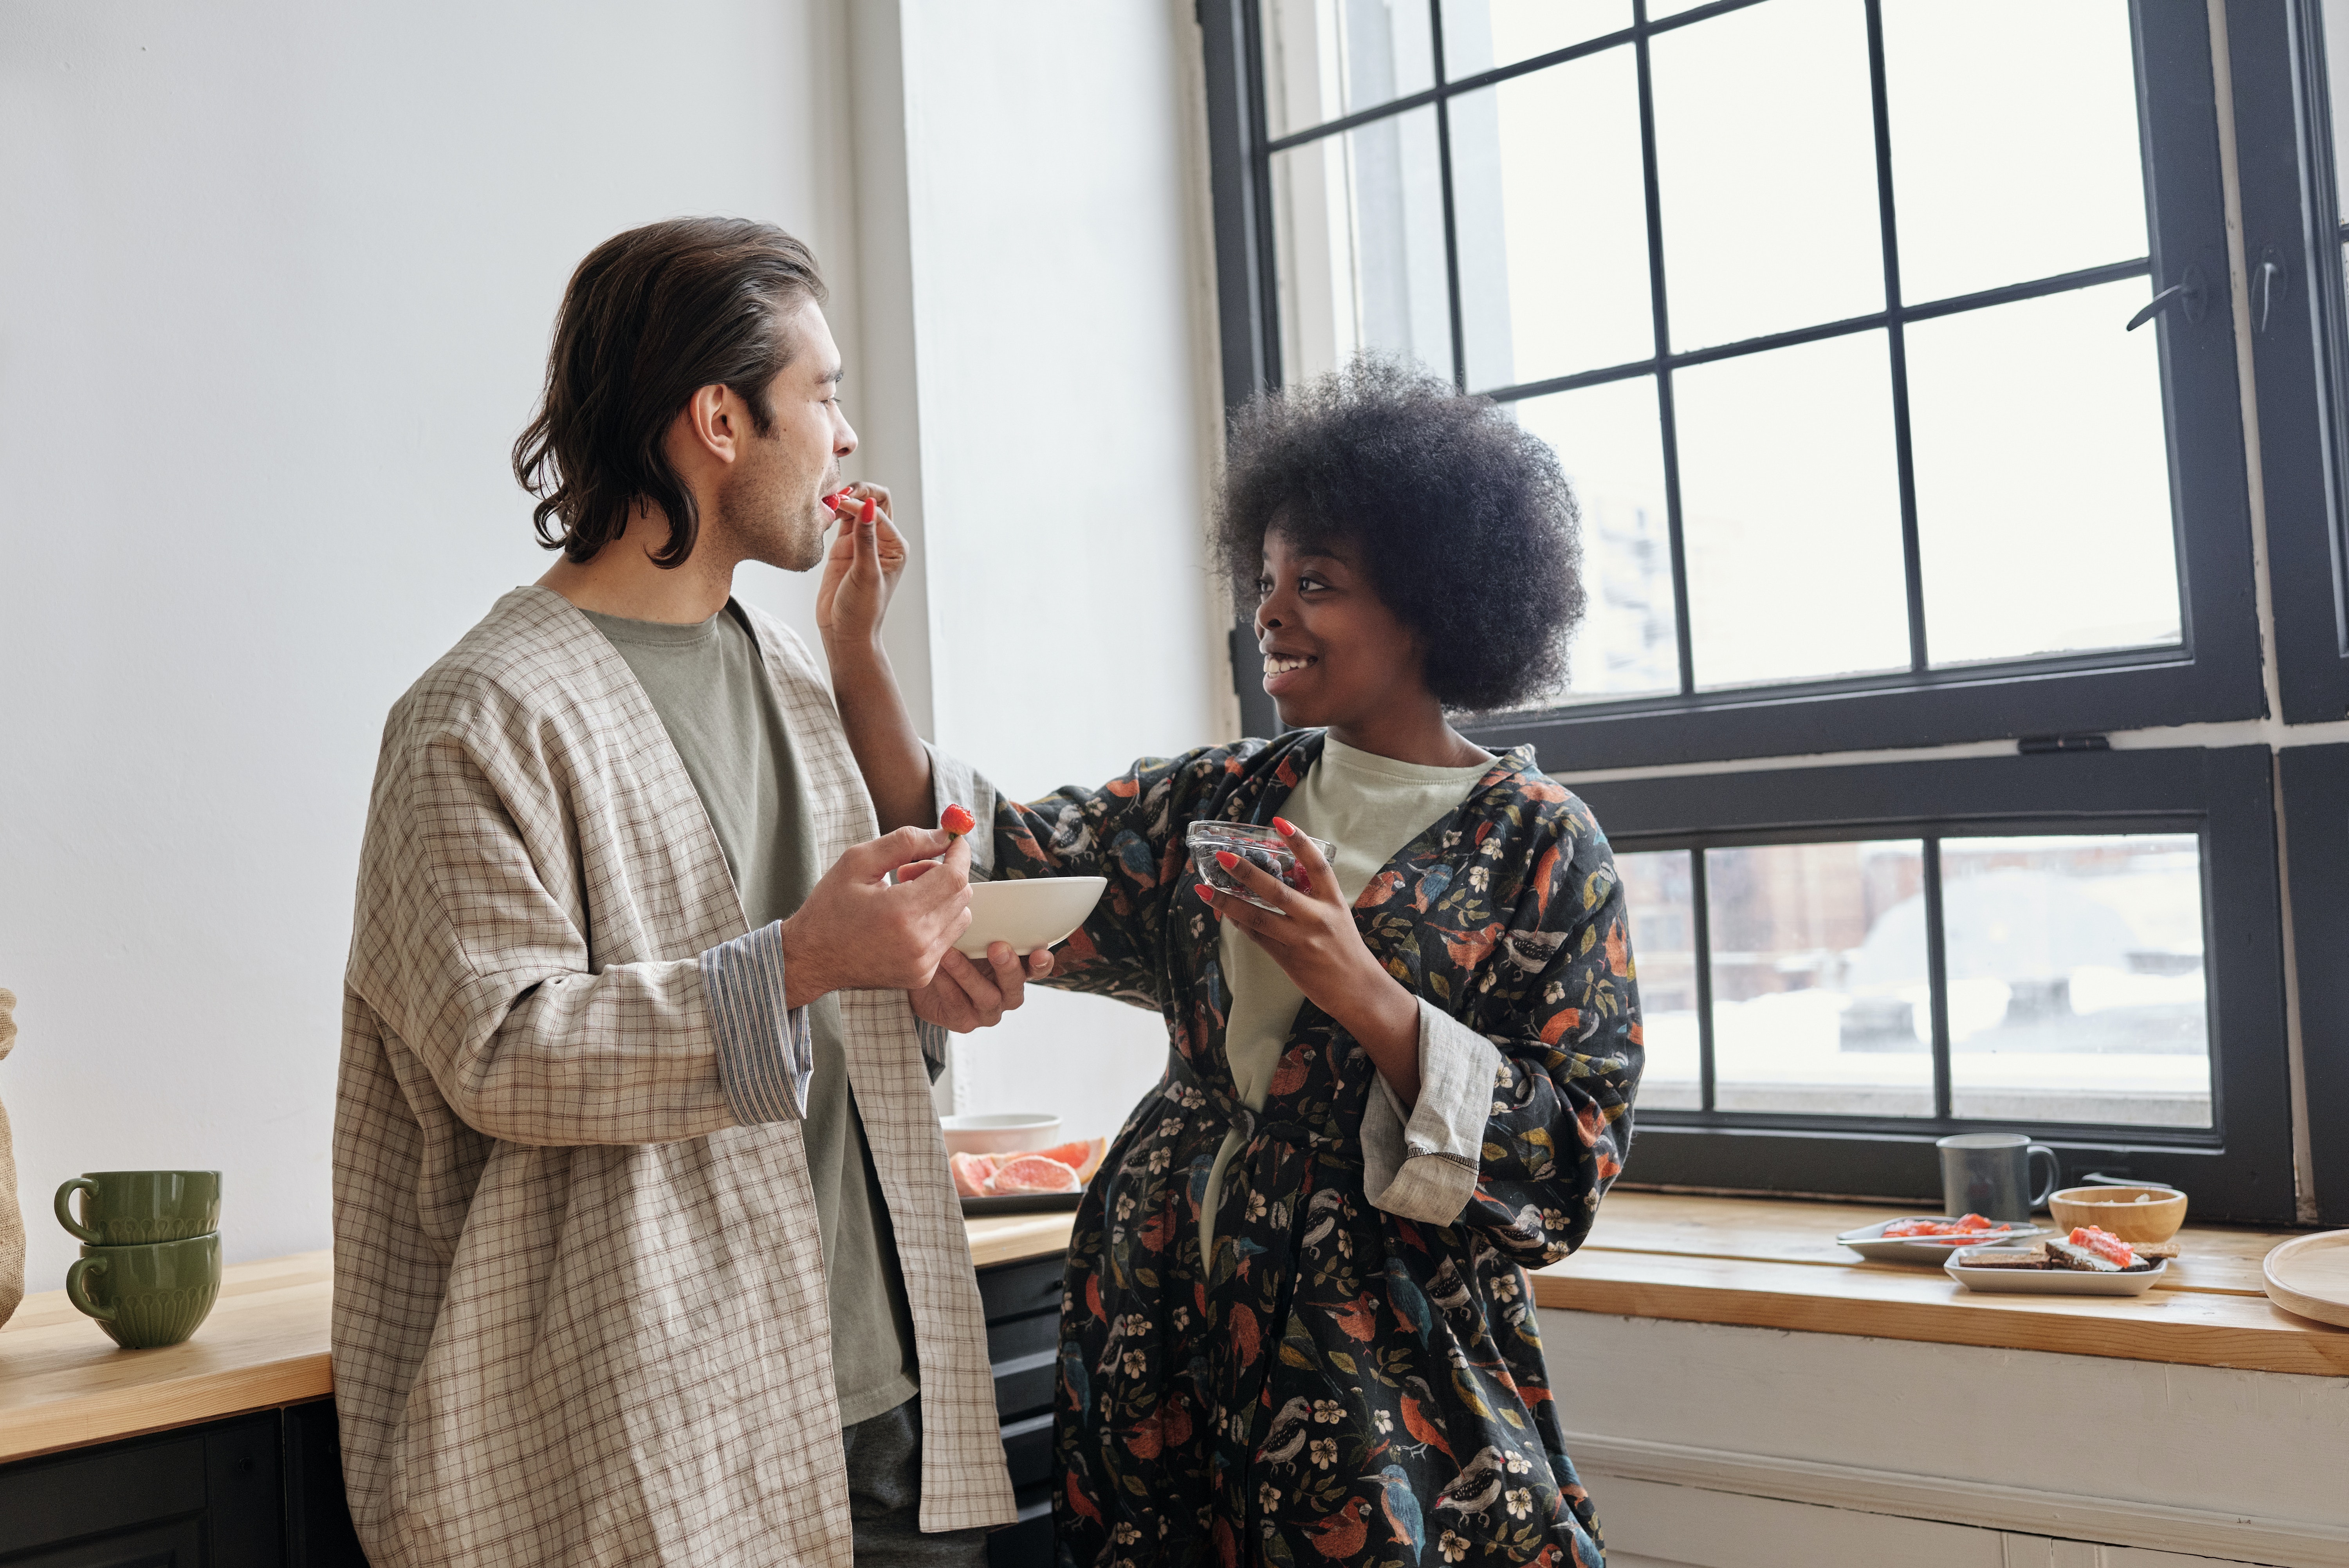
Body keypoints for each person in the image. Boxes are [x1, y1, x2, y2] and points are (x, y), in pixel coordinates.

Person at [823, 356, 1643, 1568]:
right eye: (1266, 581)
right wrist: (855, 653)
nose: (1272, 611)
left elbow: (1572, 1153)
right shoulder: (1223, 798)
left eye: (1319, 585)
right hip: (1159, 1310)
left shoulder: (1541, 843)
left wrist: (1363, 989)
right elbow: (987, 861)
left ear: (1433, 603)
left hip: (1375, 1347)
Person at [333, 217, 1051, 1568]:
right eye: (823, 394)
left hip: (886, 1407)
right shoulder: (476, 719)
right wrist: (796, 960)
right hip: (659, 1441)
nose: (844, 438)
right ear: (720, 420)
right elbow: (505, 1056)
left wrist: (922, 981)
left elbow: (829, 1022)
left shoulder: (789, 671)